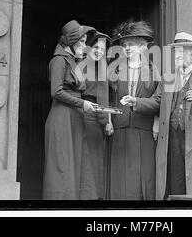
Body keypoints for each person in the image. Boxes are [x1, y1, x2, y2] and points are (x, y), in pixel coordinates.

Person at [124, 32, 192, 200]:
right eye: (175, 52)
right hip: (172, 138)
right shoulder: (167, 78)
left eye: (181, 52)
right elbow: (156, 101)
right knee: (175, 182)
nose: (177, 56)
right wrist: (136, 102)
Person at [43, 20, 97, 200]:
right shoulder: (58, 60)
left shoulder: (73, 61)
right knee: (63, 169)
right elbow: (56, 91)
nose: (85, 45)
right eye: (81, 41)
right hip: (62, 118)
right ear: (71, 42)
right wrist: (82, 104)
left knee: (77, 167)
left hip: (75, 118)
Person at [108, 20, 159, 200]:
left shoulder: (153, 72)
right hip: (120, 128)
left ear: (143, 47)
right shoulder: (115, 70)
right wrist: (108, 121)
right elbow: (108, 99)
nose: (127, 48)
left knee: (142, 176)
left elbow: (158, 100)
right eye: (124, 45)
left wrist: (156, 123)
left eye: (131, 45)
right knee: (120, 177)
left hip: (143, 129)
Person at [80, 32, 112, 200]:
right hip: (89, 113)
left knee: (89, 157)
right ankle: (90, 197)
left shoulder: (96, 65)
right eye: (96, 47)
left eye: (103, 49)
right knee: (91, 157)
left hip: (89, 113)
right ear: (89, 47)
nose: (99, 51)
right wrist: (106, 121)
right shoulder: (89, 65)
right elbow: (101, 96)